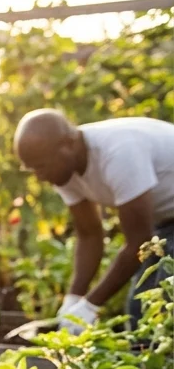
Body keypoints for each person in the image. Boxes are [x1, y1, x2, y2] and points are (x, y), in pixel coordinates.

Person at [14, 109, 174, 331]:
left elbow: (139, 241)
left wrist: (90, 305)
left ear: (68, 144)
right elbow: (90, 235)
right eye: (32, 169)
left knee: (160, 305)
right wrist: (74, 298)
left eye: (41, 166)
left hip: (163, 225)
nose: (38, 177)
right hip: (165, 221)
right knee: (142, 311)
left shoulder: (119, 153)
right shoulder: (63, 172)